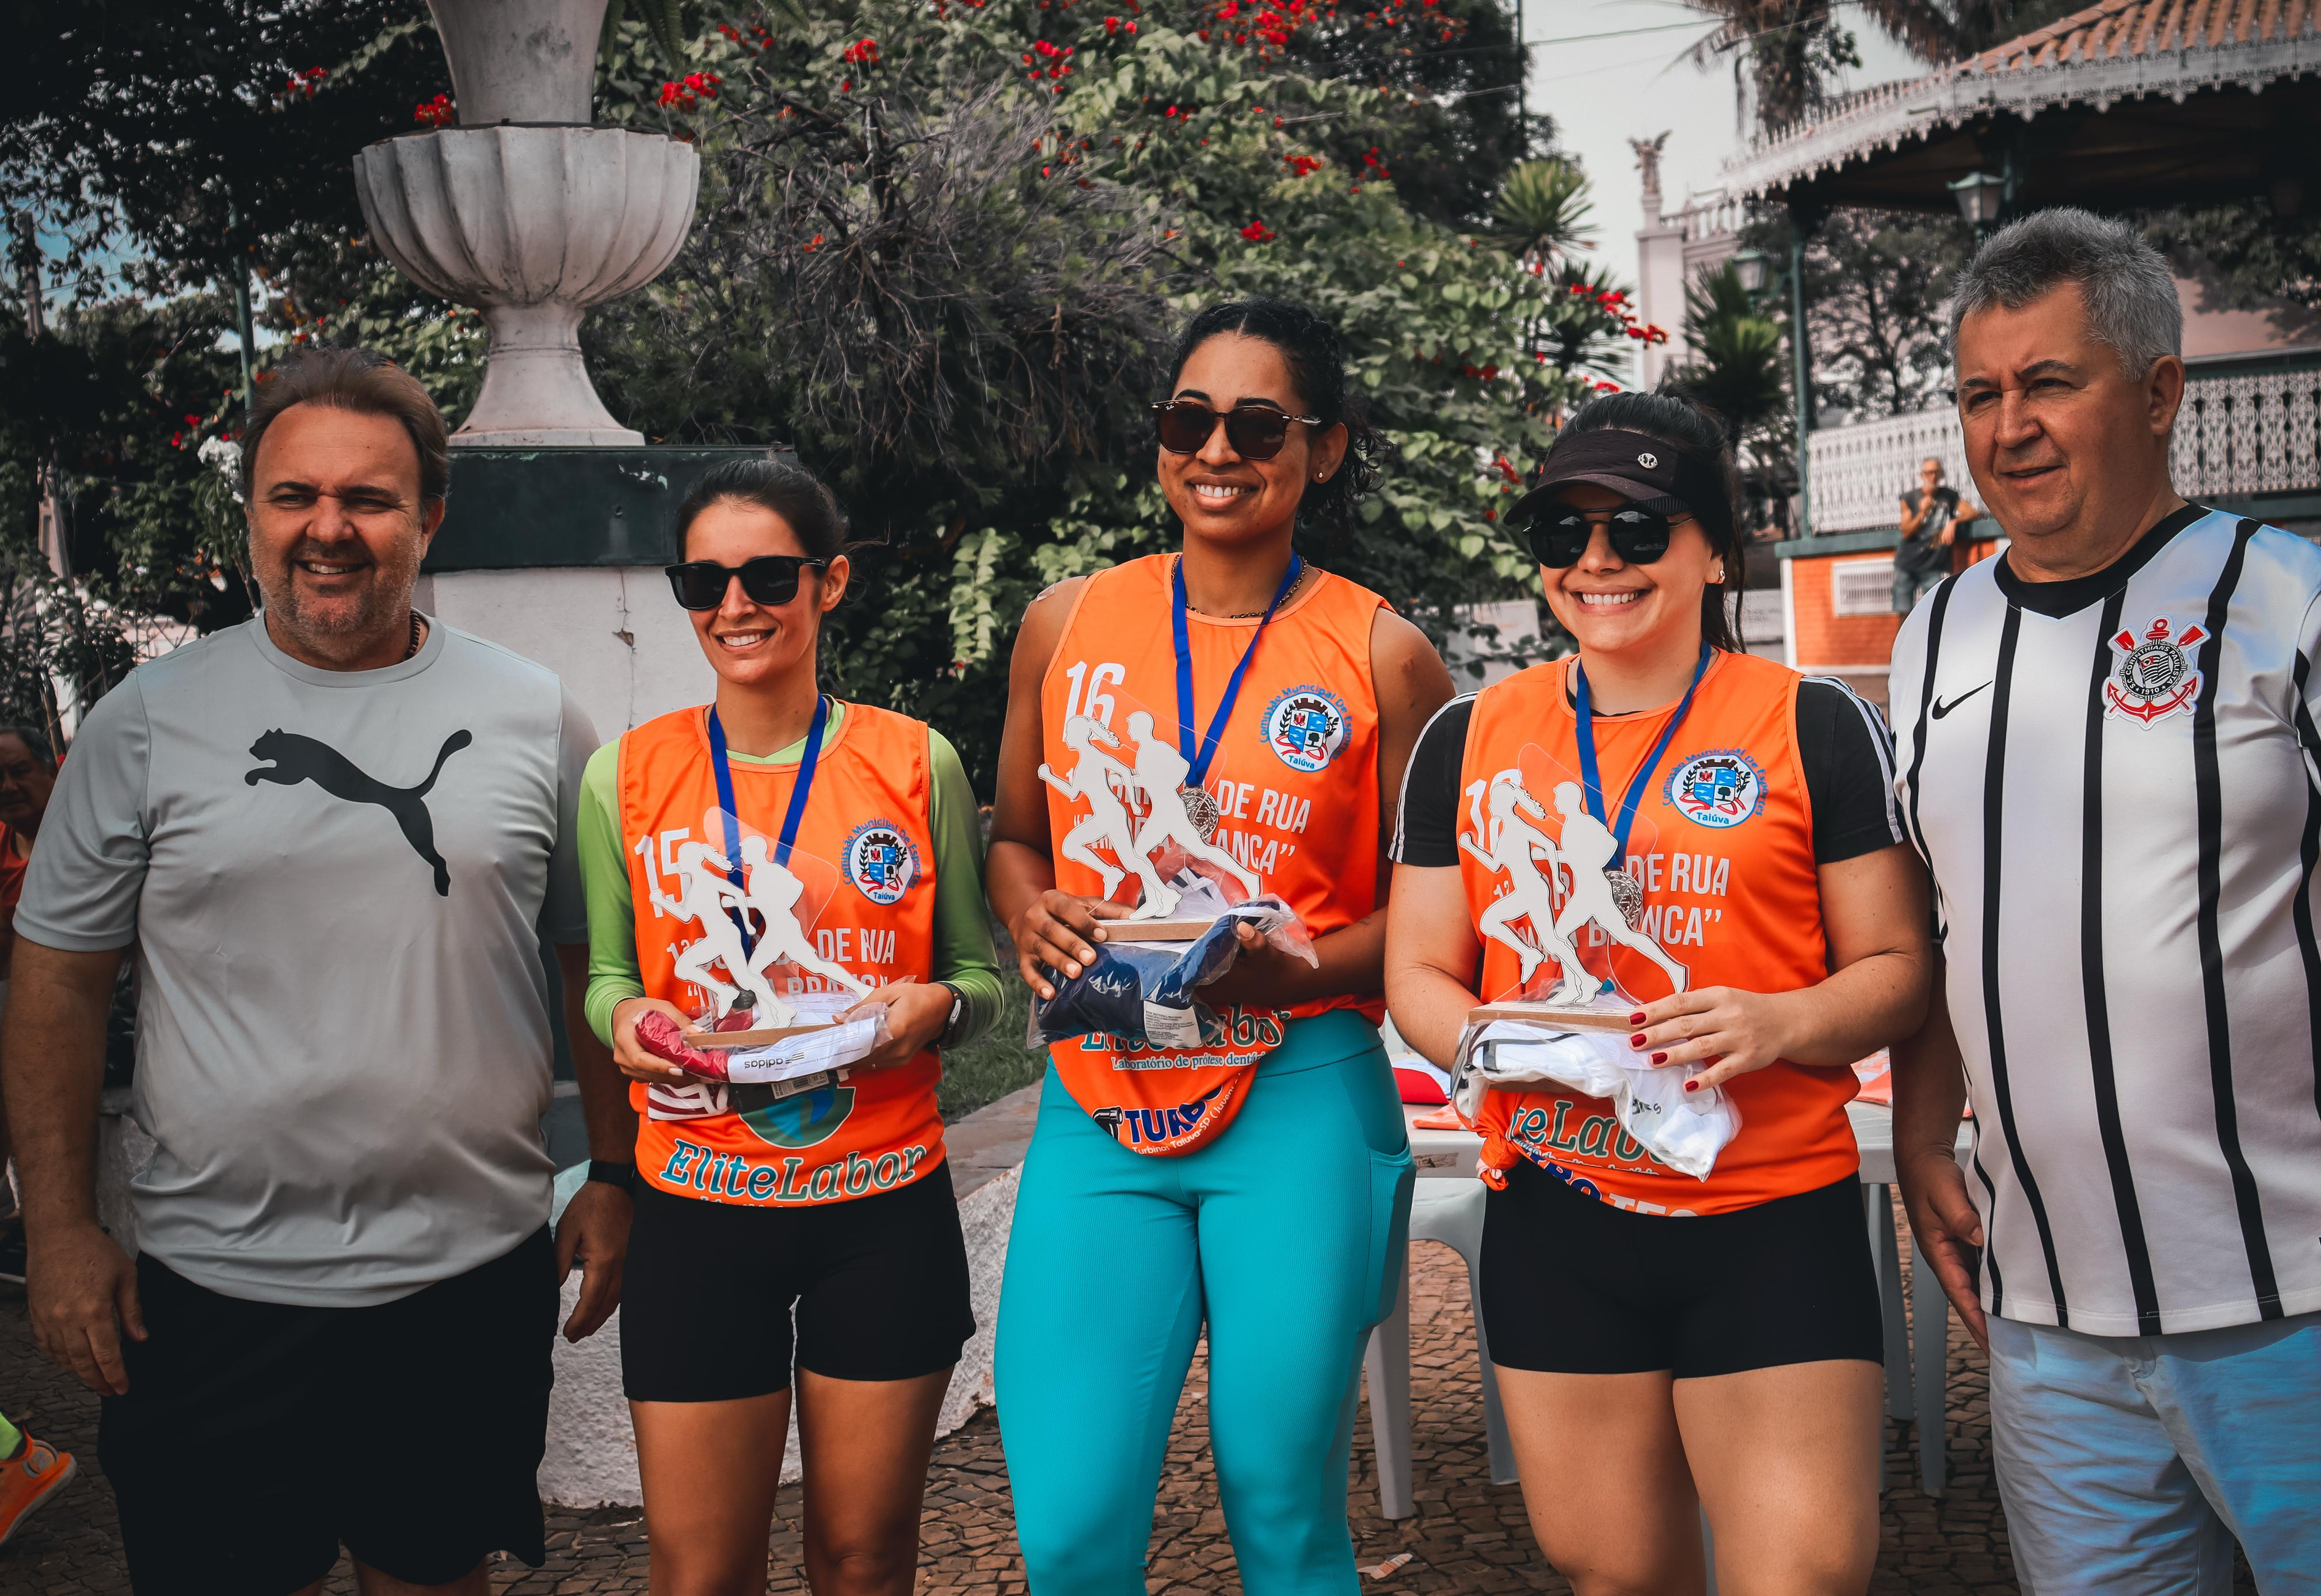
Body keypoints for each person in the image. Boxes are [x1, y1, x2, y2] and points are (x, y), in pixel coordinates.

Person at [0, 346, 635, 1596]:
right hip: (208, 1292)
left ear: (430, 516)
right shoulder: (148, 718)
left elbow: (588, 963)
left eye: (370, 498)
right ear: (253, 513)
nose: (328, 529)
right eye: (295, 495)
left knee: (437, 1576)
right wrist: (63, 1229)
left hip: (463, 1282)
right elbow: (57, 985)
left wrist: (613, 1172)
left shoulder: (535, 716)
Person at [1385, 390, 1932, 1595]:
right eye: (1563, 530)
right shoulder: (1470, 735)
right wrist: (1500, 1039)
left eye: (1638, 529)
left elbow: (1898, 969)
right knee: (1617, 1577)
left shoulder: (1814, 723)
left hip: (1768, 1216)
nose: (1596, 561)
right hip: (1558, 1215)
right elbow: (1418, 972)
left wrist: (1780, 1020)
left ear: (1713, 547)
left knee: (1803, 1577)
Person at [986, 298, 1452, 1594]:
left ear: (1326, 448)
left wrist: (1291, 967)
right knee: (1071, 1524)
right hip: (1099, 1096)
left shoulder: (1382, 654)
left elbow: (1436, 918)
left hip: (1296, 1095)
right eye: (1189, 419)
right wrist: (1026, 907)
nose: (1218, 450)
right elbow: (1016, 835)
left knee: (1277, 1497)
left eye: (1258, 423)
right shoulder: (1065, 622)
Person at [1889, 208, 2321, 1593]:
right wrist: (1915, 1125)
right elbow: (1942, 915)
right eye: (1978, 393)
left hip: (2294, 1305)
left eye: (2047, 382)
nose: (2007, 427)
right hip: (2050, 1329)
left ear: (2156, 389)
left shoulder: (2287, 602)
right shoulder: (1935, 635)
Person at [581, 458, 1004, 1596]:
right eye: (702, 580)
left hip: (880, 1205)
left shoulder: (920, 763)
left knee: (861, 1561)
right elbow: (607, 977)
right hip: (698, 1209)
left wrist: (939, 1009)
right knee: (700, 1572)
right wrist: (629, 1022)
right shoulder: (625, 775)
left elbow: (978, 975)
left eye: (768, 573)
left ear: (830, 583)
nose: (734, 604)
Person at [0, 723, 61, 1286]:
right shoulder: (1, 846)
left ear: (50, 769)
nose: (9, 786)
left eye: (20, 770)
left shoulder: (83, 833)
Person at [1891, 456, 1985, 613]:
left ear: (1941, 474)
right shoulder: (1910, 498)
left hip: (1934, 565)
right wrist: (1922, 512)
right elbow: (1907, 532)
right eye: (1928, 473)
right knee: (1904, 613)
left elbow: (1973, 513)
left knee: (1934, 611)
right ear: (1922, 476)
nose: (1932, 477)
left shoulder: (1948, 496)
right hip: (1907, 564)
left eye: (1936, 472)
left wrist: (1954, 521)